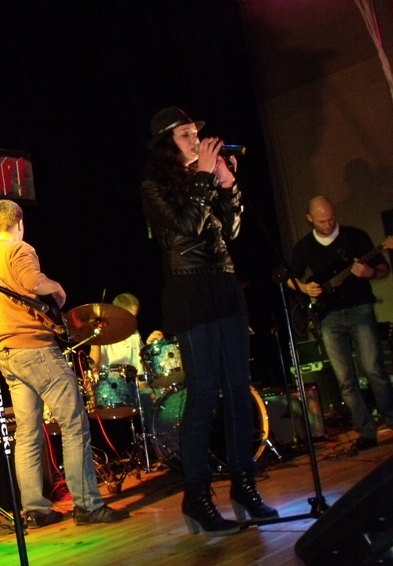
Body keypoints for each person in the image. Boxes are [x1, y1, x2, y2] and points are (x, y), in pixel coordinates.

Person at [140, 106, 277, 536]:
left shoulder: (204, 177)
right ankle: (196, 495)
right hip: (188, 291)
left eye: (195, 132)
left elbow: (230, 231)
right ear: (167, 144)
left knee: (238, 389)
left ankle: (244, 485)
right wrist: (204, 176)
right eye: (185, 134)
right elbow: (186, 227)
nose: (196, 139)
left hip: (224, 284)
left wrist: (228, 185)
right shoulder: (154, 187)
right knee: (203, 393)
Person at [0, 199, 129, 527]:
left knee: (28, 432)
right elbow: (33, 282)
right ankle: (88, 505)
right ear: (20, 223)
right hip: (35, 350)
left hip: (8, 355)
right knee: (74, 423)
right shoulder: (18, 249)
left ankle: (35, 509)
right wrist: (55, 286)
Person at [288, 195, 393, 451]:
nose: (328, 224)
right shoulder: (304, 247)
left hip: (360, 308)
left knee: (373, 368)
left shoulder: (355, 236)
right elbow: (289, 278)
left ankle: (391, 418)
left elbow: (383, 270)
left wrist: (370, 272)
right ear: (309, 219)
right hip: (328, 315)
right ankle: (365, 431)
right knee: (345, 378)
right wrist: (305, 288)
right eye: (322, 221)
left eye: (331, 219)